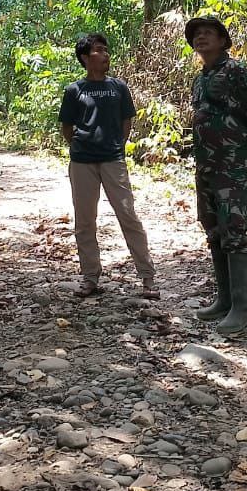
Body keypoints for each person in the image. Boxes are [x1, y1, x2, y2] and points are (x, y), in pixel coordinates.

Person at [186, 14, 247, 335]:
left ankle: (243, 307)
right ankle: (224, 301)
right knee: (213, 228)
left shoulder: (239, 72)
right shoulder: (200, 78)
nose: (201, 38)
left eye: (208, 33)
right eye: (196, 35)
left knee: (234, 229)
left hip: (234, 163)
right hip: (207, 164)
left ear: (223, 40)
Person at [59, 33, 158, 299]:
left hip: (113, 160)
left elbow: (127, 121)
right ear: (84, 57)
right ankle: (90, 277)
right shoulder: (74, 90)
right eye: (99, 50)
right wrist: (82, 143)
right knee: (85, 221)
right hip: (82, 162)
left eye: (106, 50)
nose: (105, 55)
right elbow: (67, 127)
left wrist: (117, 145)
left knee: (128, 216)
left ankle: (147, 278)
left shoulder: (119, 87)